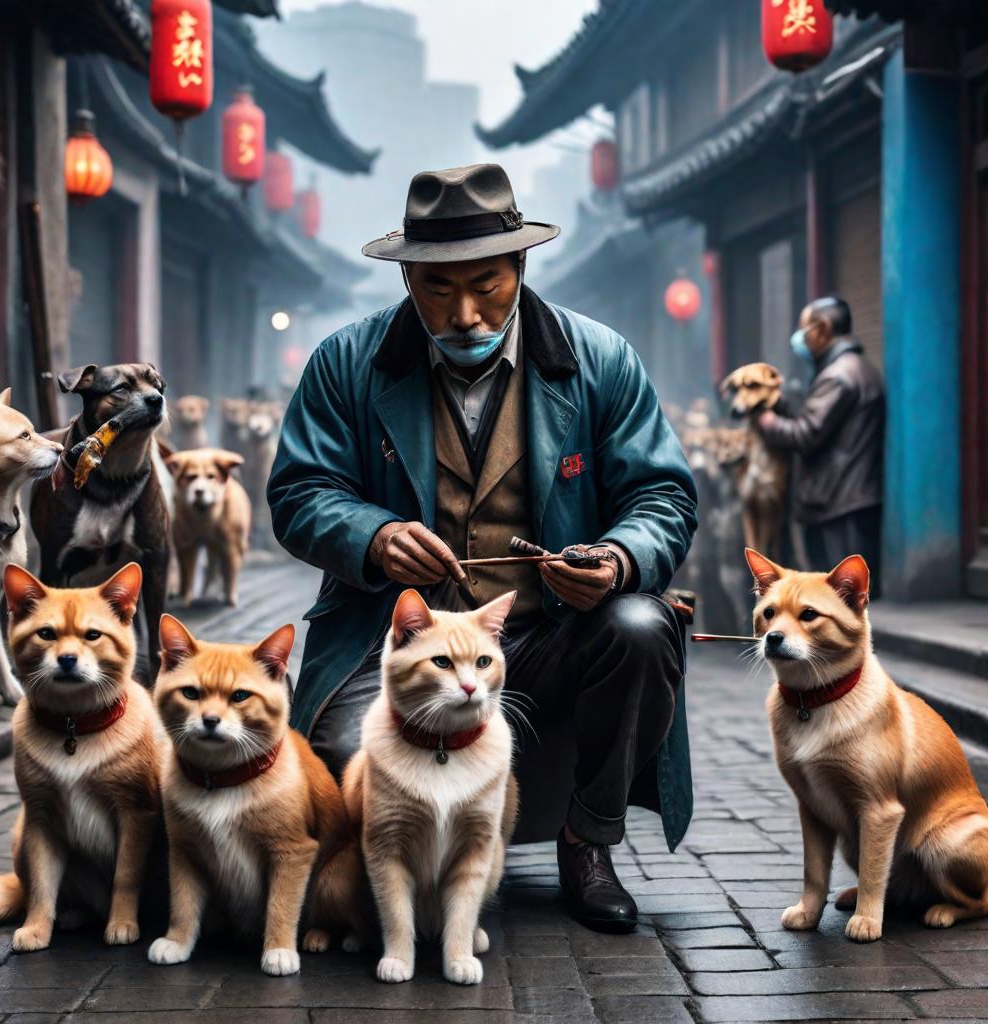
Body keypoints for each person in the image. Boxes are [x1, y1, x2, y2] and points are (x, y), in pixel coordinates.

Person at [268, 164, 697, 933]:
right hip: (391, 638)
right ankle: (395, 878)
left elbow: (662, 496)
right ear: (406, 276)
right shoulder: (345, 364)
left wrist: (619, 559)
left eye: (487, 284)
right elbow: (299, 493)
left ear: (521, 266)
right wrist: (373, 536)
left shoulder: (600, 361)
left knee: (639, 626)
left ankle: (588, 844)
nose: (465, 314)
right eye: (438, 288)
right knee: (341, 759)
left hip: (542, 636)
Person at [757, 297, 884, 589]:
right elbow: (819, 421)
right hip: (849, 498)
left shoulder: (838, 375)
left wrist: (766, 421)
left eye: (805, 330)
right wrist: (784, 406)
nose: (800, 339)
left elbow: (807, 433)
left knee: (837, 598)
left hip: (839, 503)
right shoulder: (857, 368)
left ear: (824, 328)